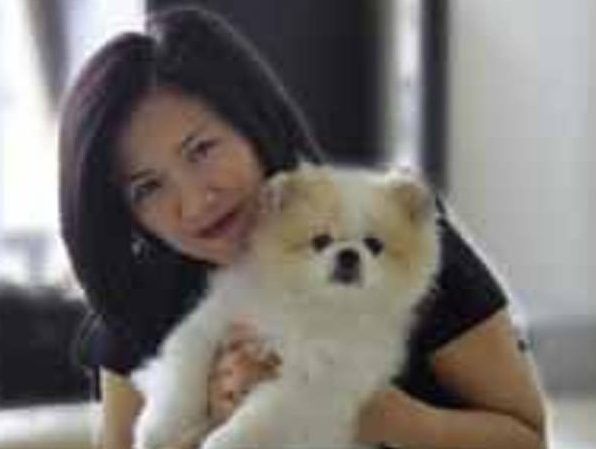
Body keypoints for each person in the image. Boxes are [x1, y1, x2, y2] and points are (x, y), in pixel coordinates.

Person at [59, 6, 546, 449]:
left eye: (201, 150)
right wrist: (216, 419)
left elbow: (526, 440)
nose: (193, 202)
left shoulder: (392, 223)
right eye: (147, 187)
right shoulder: (136, 295)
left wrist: (391, 420)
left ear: (251, 121)